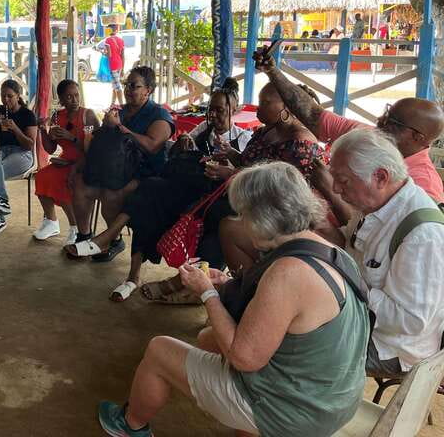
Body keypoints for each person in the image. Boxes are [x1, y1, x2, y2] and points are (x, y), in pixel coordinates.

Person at [98, 162, 370, 437]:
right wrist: (226, 284)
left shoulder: (288, 272)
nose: (241, 223)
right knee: (208, 339)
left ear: (264, 218)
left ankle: (130, 425)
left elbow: (244, 359)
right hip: (333, 400)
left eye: (244, 215)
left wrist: (207, 293)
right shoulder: (330, 252)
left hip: (293, 415)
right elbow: (289, 311)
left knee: (159, 350)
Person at [72, 82, 324, 302]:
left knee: (211, 215)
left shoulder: (301, 142)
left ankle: (189, 283)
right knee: (152, 189)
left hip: (264, 211)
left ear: (287, 107)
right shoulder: (266, 131)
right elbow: (249, 164)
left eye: (264, 102)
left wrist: (232, 174)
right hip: (230, 192)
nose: (257, 107)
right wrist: (230, 158)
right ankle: (122, 252)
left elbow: (283, 193)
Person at [254, 47, 444, 202]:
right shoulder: (368, 136)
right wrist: (272, 71)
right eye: (385, 113)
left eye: (390, 121)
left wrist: (328, 188)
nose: (380, 120)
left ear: (417, 137)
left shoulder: (423, 185)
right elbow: (313, 114)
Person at [325, 129, 444, 376]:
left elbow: (411, 321)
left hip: (392, 347)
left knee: (297, 343)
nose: (335, 189)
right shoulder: (376, 202)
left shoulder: (422, 236)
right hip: (364, 321)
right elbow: (351, 243)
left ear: (380, 177)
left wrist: (347, 285)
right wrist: (312, 226)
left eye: (343, 181)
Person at [70, 66, 175, 264]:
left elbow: (152, 146)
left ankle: (113, 241)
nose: (127, 89)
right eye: (127, 85)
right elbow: (102, 143)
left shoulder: (160, 116)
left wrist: (119, 127)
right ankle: (84, 236)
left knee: (111, 193)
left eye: (133, 86)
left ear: (148, 90)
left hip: (144, 174)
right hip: (114, 170)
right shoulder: (121, 111)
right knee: (80, 185)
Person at [33, 80, 100, 243]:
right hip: (65, 160)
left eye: (76, 95)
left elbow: (95, 150)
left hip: (87, 162)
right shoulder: (57, 116)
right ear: (61, 100)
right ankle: (51, 221)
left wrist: (71, 138)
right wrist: (43, 130)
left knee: (63, 181)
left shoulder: (87, 115)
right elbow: (50, 148)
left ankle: (75, 228)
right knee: (41, 176)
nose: (75, 100)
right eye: (69, 97)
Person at [0, 79, 38, 236]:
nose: (5, 100)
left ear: (18, 96)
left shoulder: (28, 115)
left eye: (10, 96)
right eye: (3, 96)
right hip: (1, 151)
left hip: (22, 154)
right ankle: (3, 203)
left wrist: (15, 128)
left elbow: (29, 145)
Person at [177, 77, 252, 156]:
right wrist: (185, 139)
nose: (212, 114)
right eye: (210, 109)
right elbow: (190, 139)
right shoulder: (205, 127)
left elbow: (245, 165)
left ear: (233, 111)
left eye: (220, 110)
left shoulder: (242, 138)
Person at [103, 23, 125, 107]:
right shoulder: (120, 40)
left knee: (117, 87)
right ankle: (112, 105)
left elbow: (109, 55)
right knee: (115, 86)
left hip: (112, 65)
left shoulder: (107, 40)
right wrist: (123, 68)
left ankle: (122, 106)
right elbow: (123, 55)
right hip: (119, 64)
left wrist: (103, 52)